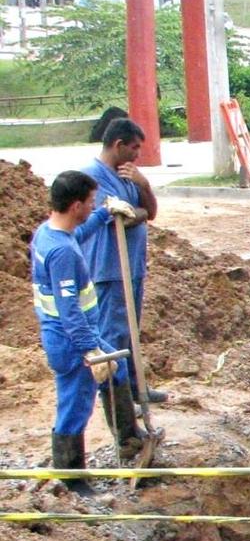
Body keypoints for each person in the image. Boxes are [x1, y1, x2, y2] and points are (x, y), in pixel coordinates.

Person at [31, 172, 142, 496]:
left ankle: (128, 438)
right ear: (76, 205)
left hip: (77, 333)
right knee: (76, 404)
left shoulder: (50, 233)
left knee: (118, 368)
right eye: (91, 202)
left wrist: (104, 213)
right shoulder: (62, 253)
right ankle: (71, 476)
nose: (92, 205)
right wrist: (90, 350)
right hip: (70, 340)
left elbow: (79, 233)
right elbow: (69, 310)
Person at [79, 117, 167, 404]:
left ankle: (134, 386)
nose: (138, 155)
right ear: (118, 145)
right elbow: (121, 219)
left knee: (130, 332)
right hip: (110, 268)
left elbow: (148, 212)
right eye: (134, 148)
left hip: (132, 266)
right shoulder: (93, 177)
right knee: (113, 336)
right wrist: (135, 212)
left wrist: (144, 183)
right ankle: (117, 402)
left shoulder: (128, 175)